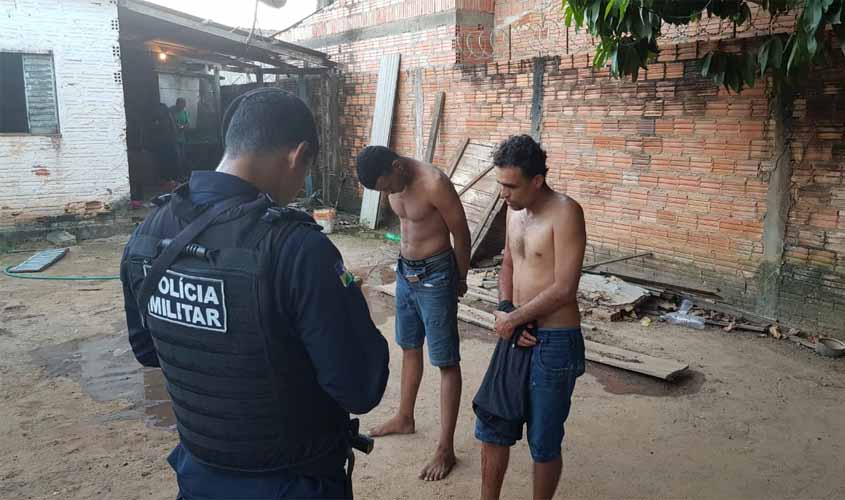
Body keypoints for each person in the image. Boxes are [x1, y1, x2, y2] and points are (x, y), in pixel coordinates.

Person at [121, 88, 389, 499]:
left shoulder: (146, 236)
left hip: (199, 477)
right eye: (304, 171)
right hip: (292, 482)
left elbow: (147, 350)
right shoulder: (297, 249)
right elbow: (360, 387)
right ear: (297, 156)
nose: (299, 185)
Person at [477, 135, 587, 500]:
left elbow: (564, 288)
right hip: (516, 329)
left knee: (543, 439)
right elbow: (508, 262)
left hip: (553, 342)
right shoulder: (513, 210)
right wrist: (507, 310)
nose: (503, 194)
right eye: (500, 184)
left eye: (510, 185)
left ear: (536, 181)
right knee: (493, 424)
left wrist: (515, 318)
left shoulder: (566, 212)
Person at [355, 145, 471, 481]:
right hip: (405, 271)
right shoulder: (392, 180)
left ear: (397, 166)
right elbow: (407, 225)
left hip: (437, 275)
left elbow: (461, 234)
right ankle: (405, 417)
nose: (388, 193)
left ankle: (446, 449)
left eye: (387, 186)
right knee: (408, 347)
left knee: (446, 361)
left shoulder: (434, 183)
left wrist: (459, 278)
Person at [170, 97, 189, 175]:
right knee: (177, 158)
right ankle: (178, 175)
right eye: (182, 104)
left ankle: (183, 175)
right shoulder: (171, 112)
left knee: (183, 158)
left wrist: (184, 126)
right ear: (178, 104)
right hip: (174, 139)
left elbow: (187, 123)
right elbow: (172, 124)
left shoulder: (184, 112)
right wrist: (178, 126)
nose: (184, 106)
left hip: (182, 139)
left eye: (184, 104)